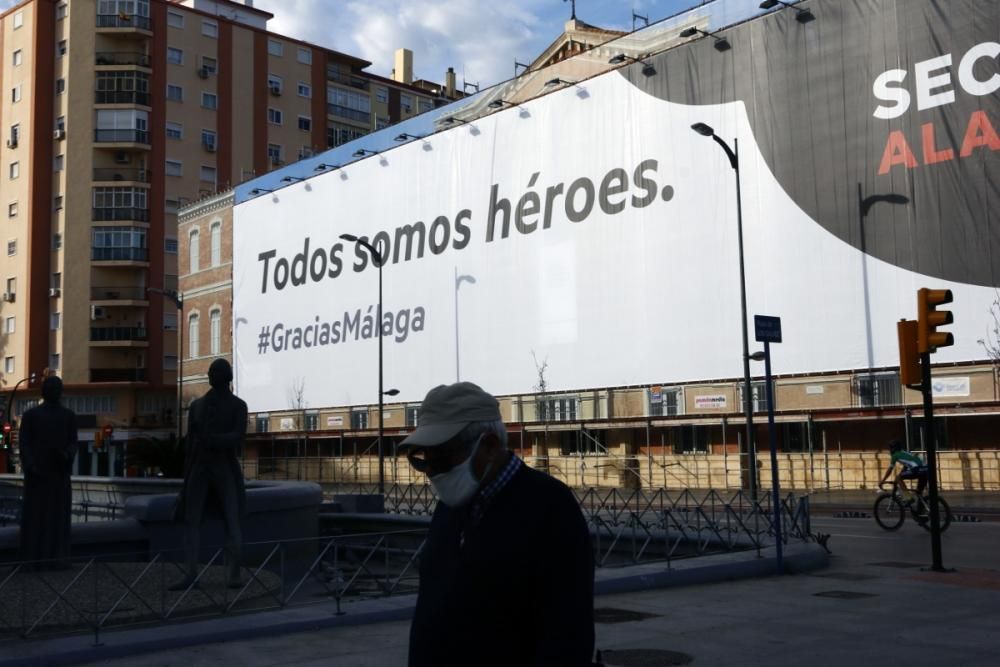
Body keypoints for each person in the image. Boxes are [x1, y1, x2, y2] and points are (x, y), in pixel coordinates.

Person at [401, 381, 595, 667]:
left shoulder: (549, 506)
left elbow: (566, 634)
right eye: (423, 461)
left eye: (442, 459)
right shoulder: (452, 504)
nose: (432, 472)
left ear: (490, 446)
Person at [171, 358, 247, 589]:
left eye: (215, 371)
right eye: (211, 371)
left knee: (232, 520)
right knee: (191, 519)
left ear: (226, 376)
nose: (210, 374)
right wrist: (187, 475)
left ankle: (234, 573)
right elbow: (191, 444)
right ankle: (190, 572)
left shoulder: (238, 405)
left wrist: (213, 440)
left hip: (224, 466)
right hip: (200, 466)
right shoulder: (197, 406)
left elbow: (238, 436)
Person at [18, 375, 78, 569]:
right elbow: (24, 444)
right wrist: (30, 464)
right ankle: (34, 557)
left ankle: (56, 556)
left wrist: (66, 454)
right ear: (45, 392)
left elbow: (73, 442)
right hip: (38, 475)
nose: (54, 392)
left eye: (57, 388)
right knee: (36, 516)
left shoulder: (68, 416)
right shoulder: (31, 416)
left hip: (58, 474)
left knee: (58, 516)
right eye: (51, 388)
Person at [879, 440, 928, 509]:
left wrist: (882, 480)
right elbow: (906, 466)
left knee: (898, 477)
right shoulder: (904, 452)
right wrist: (899, 477)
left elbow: (890, 469)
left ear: (893, 448)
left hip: (917, 469)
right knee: (919, 492)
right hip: (926, 469)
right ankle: (922, 511)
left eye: (890, 448)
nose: (889, 450)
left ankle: (908, 498)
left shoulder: (895, 455)